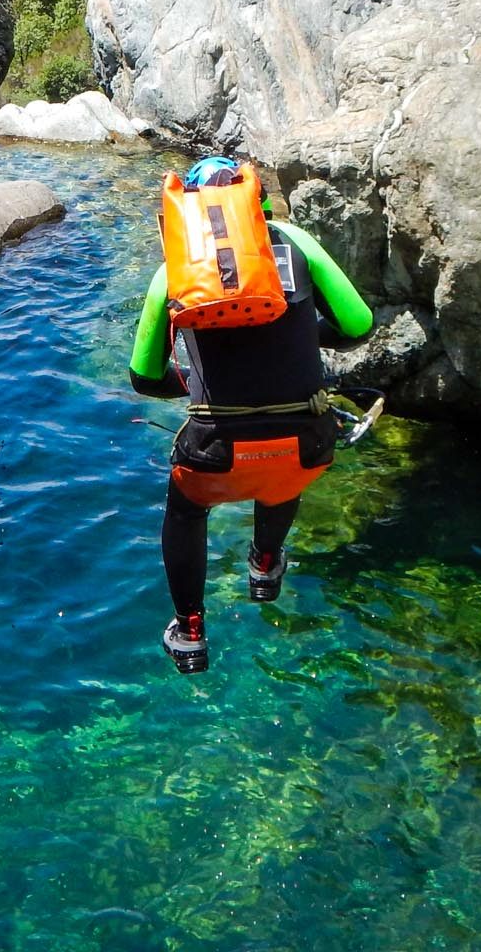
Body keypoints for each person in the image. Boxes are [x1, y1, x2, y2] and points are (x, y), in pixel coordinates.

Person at [129, 155, 373, 674]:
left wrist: (191, 382)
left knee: (187, 511)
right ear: (255, 201)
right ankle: (265, 566)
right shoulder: (295, 241)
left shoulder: (175, 267)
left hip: (213, 452)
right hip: (304, 444)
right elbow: (359, 325)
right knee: (280, 479)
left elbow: (144, 379)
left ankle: (190, 631)